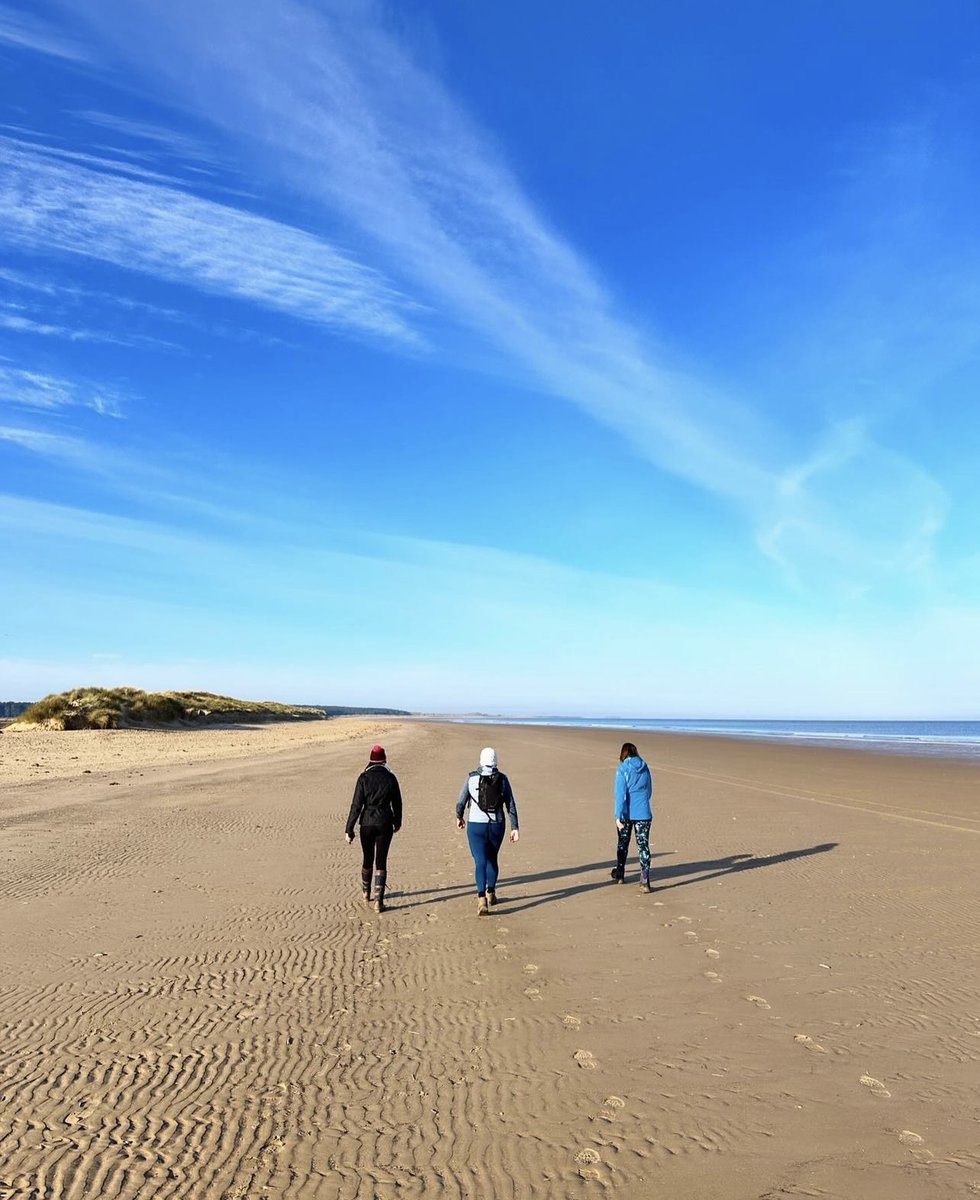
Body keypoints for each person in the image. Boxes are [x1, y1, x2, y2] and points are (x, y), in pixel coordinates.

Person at [456, 746, 519, 915]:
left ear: (481, 760)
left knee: (480, 861)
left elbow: (460, 801)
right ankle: (491, 892)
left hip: (476, 825)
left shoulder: (471, 778)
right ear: (496, 761)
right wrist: (515, 827)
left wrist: (459, 817)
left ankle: (481, 898)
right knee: (492, 858)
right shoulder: (503, 779)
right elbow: (510, 804)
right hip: (497, 825)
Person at [346, 744, 402, 913]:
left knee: (367, 858)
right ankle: (379, 901)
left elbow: (356, 805)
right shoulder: (390, 778)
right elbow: (397, 803)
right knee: (381, 861)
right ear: (384, 760)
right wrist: (397, 822)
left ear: (370, 760)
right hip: (385, 822)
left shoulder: (363, 777)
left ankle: (366, 893)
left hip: (367, 823)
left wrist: (349, 829)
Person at [612, 741, 654, 892]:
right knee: (643, 846)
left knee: (623, 844)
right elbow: (649, 790)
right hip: (643, 813)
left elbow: (620, 795)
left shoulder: (622, 768)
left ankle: (620, 874)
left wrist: (617, 816)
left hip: (626, 813)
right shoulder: (645, 767)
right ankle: (645, 880)